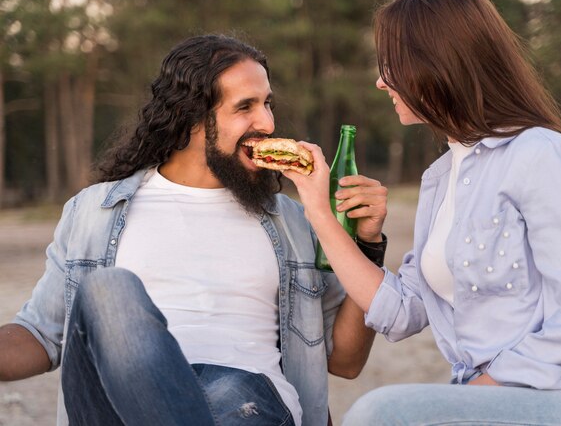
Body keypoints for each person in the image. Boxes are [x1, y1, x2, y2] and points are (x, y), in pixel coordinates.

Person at [0, 34, 389, 426]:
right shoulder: (93, 211)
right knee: (108, 289)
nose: (268, 123)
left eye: (267, 103)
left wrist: (365, 242)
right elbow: (41, 335)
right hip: (119, 403)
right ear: (192, 116)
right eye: (246, 107)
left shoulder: (295, 222)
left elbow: (346, 360)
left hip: (243, 402)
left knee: (230, 396)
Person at [284, 0, 561, 424]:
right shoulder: (441, 178)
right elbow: (400, 309)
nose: (381, 81)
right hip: (494, 398)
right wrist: (322, 212)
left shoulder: (540, 155)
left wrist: (484, 388)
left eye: (391, 65)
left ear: (436, 63)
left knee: (380, 413)